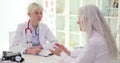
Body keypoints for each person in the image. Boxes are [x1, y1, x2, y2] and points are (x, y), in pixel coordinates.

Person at [50, 5, 118, 63]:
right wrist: (68, 52)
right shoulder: (102, 36)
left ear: (87, 20)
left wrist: (61, 53)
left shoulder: (94, 42)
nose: (77, 22)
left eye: (79, 18)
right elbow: (86, 53)